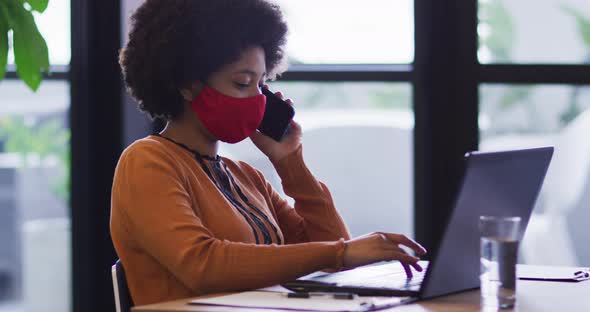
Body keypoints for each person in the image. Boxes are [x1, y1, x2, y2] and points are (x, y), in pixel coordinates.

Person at [111, 0, 427, 306]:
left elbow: (333, 257)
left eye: (261, 84)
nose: (258, 99)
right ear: (186, 84)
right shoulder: (147, 161)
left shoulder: (245, 176)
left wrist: (291, 163)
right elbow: (202, 265)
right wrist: (342, 252)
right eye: (243, 83)